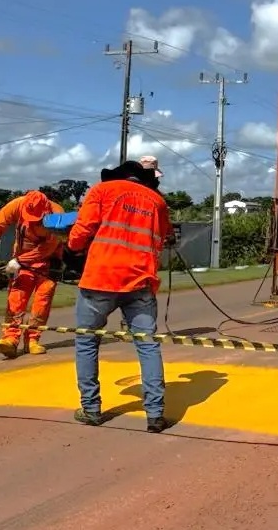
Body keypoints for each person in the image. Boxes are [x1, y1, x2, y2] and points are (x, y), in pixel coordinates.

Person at [66, 160, 174, 433]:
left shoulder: (102, 190)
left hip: (100, 279)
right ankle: (155, 414)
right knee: (148, 345)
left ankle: (91, 409)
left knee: (87, 342)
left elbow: (81, 231)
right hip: (140, 281)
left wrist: (72, 248)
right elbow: (165, 237)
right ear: (144, 179)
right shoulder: (156, 201)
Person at [0, 190, 64, 358]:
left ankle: (32, 339)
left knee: (42, 300)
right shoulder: (18, 205)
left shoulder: (58, 215)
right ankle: (10, 339)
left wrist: (20, 261)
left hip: (48, 262)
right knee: (16, 297)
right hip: (21, 260)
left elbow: (47, 247)